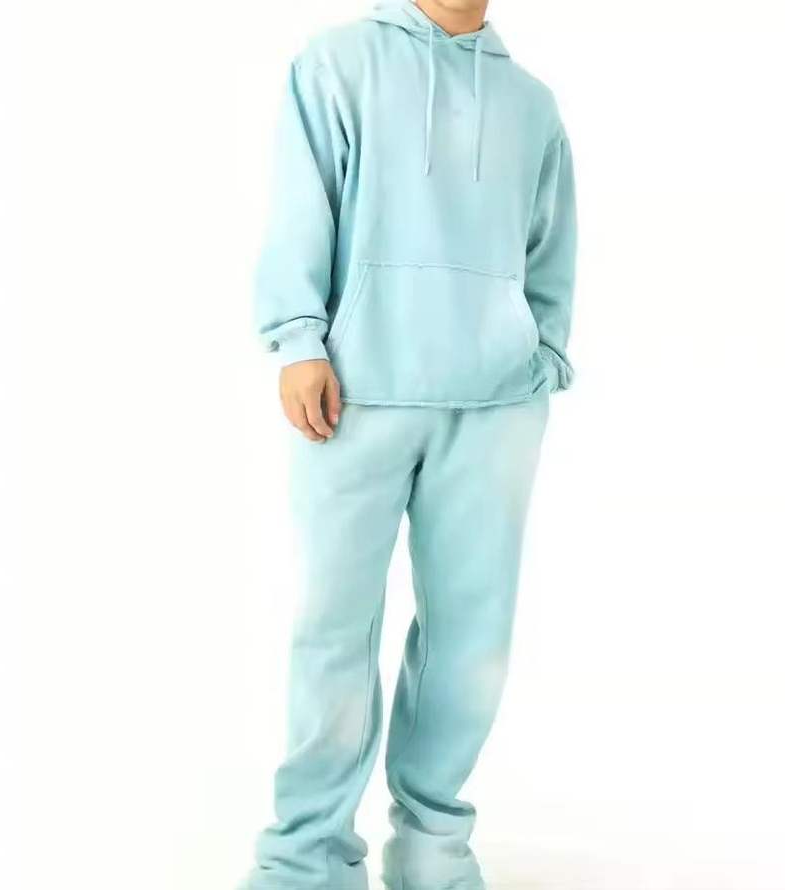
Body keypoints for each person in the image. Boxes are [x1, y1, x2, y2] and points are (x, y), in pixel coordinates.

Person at [246, 1, 576, 887]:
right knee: (333, 629)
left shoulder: (532, 105)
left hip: (495, 408)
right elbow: (301, 203)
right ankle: (305, 859)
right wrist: (298, 340)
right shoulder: (338, 64)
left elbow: (551, 253)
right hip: (352, 395)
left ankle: (432, 853)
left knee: (471, 641)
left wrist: (542, 355)